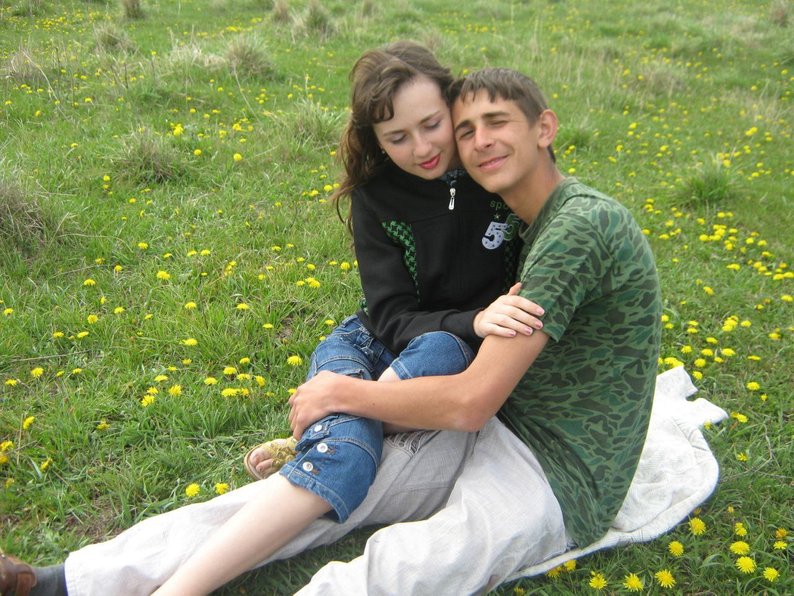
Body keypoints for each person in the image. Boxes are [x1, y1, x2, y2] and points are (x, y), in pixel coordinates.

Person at [0, 45, 545, 596]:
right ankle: (87, 581)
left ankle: (80, 582)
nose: (422, 148)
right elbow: (390, 314)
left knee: (369, 427)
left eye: (432, 125)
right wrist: (474, 320)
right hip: (367, 347)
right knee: (348, 452)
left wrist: (466, 329)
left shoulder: (493, 174)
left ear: (453, 108)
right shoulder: (376, 196)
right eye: (397, 137)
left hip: (440, 367)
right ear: (376, 140)